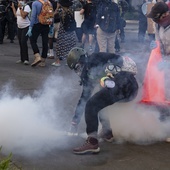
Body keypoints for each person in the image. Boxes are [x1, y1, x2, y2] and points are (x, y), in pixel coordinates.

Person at [66, 47, 138, 154]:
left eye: (77, 66)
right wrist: (74, 122)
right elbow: (83, 99)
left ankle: (92, 142)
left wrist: (111, 71)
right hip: (126, 89)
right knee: (97, 103)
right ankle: (107, 132)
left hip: (125, 84)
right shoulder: (88, 75)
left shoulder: (94, 58)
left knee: (92, 104)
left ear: (81, 60)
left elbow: (119, 58)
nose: (78, 71)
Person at [141, 2, 170, 141]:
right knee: (164, 94)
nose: (153, 20)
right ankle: (165, 124)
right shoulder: (158, 25)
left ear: (165, 15)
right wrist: (155, 45)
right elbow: (159, 43)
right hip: (166, 61)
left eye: (155, 17)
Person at [26, 0, 54, 67]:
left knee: (32, 40)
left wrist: (30, 27)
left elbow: (33, 15)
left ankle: (37, 55)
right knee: (45, 42)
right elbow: (51, 15)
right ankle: (43, 61)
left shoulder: (35, 3)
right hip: (46, 24)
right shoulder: (49, 3)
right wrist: (51, 26)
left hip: (37, 24)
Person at [51, 0, 77, 67]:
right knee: (70, 46)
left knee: (60, 46)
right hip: (71, 31)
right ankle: (69, 61)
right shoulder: (71, 10)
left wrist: (57, 7)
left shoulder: (61, 11)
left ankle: (58, 61)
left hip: (63, 31)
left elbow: (53, 15)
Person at [11, 0, 31, 65]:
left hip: (26, 26)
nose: (19, 1)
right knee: (20, 42)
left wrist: (20, 8)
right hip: (19, 27)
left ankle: (26, 59)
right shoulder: (19, 7)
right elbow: (16, 15)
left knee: (23, 42)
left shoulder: (26, 7)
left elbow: (23, 16)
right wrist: (13, 8)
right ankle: (22, 58)